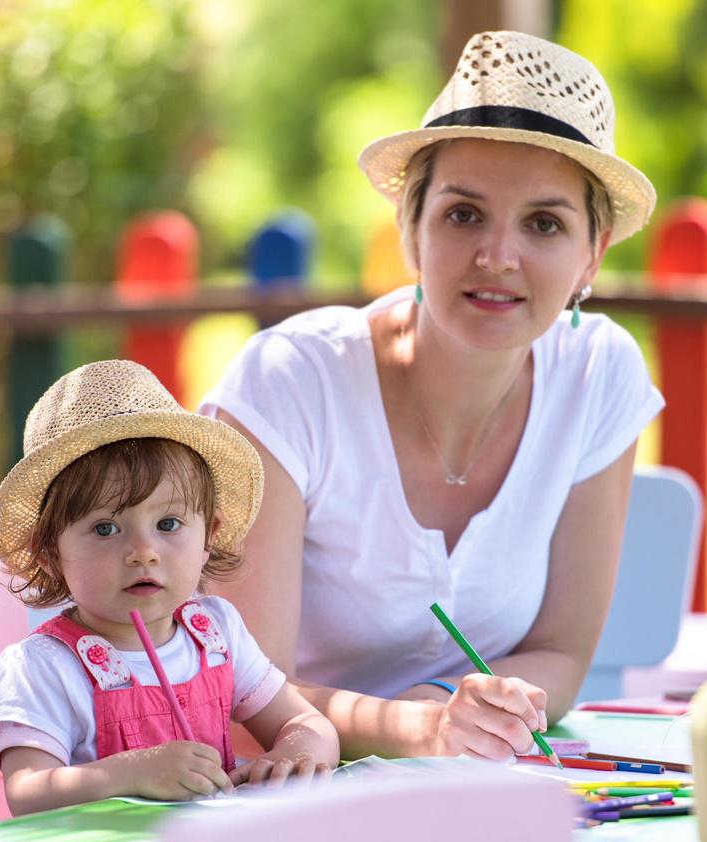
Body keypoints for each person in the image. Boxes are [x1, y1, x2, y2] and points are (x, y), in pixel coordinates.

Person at [201, 31, 665, 763]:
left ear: (593, 254)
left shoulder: (597, 375)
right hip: (279, 799)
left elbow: (559, 657)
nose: (497, 256)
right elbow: (235, 696)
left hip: (470, 790)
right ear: (409, 228)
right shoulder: (289, 383)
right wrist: (420, 727)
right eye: (462, 214)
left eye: (544, 223)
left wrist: (458, 713)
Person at [0, 359, 339, 815]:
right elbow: (27, 792)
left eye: (168, 523)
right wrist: (129, 772)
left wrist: (298, 753)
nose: (143, 552)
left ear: (209, 535)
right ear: (49, 552)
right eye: (106, 528)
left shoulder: (215, 634)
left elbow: (305, 721)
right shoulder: (42, 665)